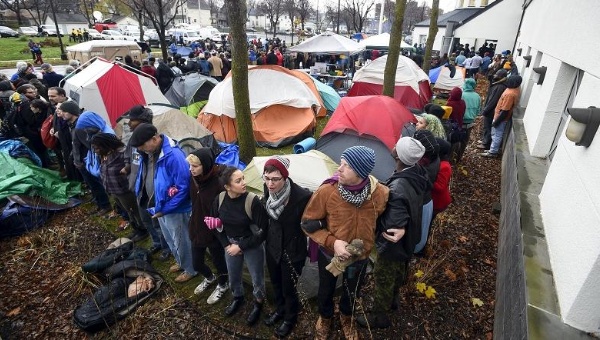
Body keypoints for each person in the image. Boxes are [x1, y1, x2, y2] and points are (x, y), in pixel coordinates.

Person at [301, 146, 389, 340]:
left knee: (352, 289)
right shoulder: (327, 192)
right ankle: (325, 318)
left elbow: (384, 217)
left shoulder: (380, 193)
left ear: (361, 172)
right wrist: (333, 243)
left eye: (346, 166)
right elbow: (307, 223)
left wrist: (396, 226)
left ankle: (346, 316)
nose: (339, 169)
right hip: (330, 255)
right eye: (340, 163)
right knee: (326, 289)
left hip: (359, 257)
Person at [357, 137, 429, 329]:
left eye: (397, 144)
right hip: (410, 238)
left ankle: (379, 317)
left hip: (392, 246)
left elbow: (391, 226)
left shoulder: (397, 188)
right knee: (399, 272)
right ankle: (393, 300)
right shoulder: (417, 172)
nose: (393, 145)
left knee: (383, 277)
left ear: (399, 155)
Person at [129, 123, 197, 282]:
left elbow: (183, 188)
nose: (141, 149)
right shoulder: (150, 152)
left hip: (174, 208)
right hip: (160, 206)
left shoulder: (173, 156)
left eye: (143, 145)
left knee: (181, 240)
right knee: (170, 238)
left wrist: (165, 209)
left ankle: (190, 269)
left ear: (154, 138)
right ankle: (181, 261)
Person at [204, 166, 269, 325]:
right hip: (230, 243)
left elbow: (264, 230)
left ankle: (258, 302)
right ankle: (238, 297)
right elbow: (215, 225)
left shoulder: (252, 201)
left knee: (257, 277)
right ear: (227, 186)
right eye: (238, 181)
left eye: (243, 178)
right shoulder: (219, 200)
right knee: (233, 275)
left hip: (251, 243)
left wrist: (240, 246)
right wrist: (226, 245)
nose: (244, 183)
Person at [261, 156, 312, 338]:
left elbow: (311, 223)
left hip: (293, 251)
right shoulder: (267, 192)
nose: (270, 183)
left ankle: (290, 318)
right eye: (266, 178)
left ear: (285, 177)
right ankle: (280, 310)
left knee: (289, 288)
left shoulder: (302, 197)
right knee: (276, 283)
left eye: (275, 179)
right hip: (273, 247)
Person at [120, 106, 169, 257]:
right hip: (138, 186)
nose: (128, 123)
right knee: (145, 219)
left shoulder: (152, 141)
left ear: (141, 120)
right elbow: (129, 154)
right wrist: (127, 167)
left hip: (152, 188)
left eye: (132, 120)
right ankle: (156, 243)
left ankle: (166, 247)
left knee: (158, 222)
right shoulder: (133, 139)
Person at [185, 148, 229, 305]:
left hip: (214, 233)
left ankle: (223, 284)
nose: (191, 170)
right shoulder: (193, 179)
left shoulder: (218, 185)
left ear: (205, 165)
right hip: (197, 228)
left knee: (219, 262)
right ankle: (210, 278)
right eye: (190, 166)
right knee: (197, 263)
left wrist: (219, 222)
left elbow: (226, 209)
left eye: (195, 166)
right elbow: (190, 197)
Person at [90, 133, 148, 241]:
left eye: (97, 148)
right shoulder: (103, 155)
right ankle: (136, 228)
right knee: (127, 211)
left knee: (134, 210)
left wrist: (127, 169)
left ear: (105, 145)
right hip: (113, 190)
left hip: (125, 190)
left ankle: (143, 230)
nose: (95, 151)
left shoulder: (122, 153)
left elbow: (135, 166)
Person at [60, 102, 112, 216]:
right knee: (92, 184)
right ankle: (98, 202)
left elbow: (87, 145)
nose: (61, 114)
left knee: (95, 184)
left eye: (64, 111)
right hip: (81, 161)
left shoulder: (79, 127)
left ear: (71, 112)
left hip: (85, 161)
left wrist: (80, 160)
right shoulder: (73, 125)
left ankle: (104, 205)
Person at [481, 75, 522, 158]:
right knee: (496, 134)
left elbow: (505, 110)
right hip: (499, 115)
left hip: (500, 118)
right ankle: (492, 149)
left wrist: (497, 121)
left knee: (497, 134)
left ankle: (493, 152)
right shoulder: (515, 89)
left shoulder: (510, 94)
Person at [477, 69, 508, 150]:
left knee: (487, 127)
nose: (495, 76)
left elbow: (493, 101)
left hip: (491, 111)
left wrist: (485, 111)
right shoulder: (499, 84)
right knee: (486, 127)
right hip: (491, 110)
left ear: (501, 77)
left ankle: (486, 144)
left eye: (497, 75)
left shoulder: (500, 86)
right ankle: (485, 140)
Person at [456, 78, 481, 163]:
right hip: (470, 123)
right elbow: (478, 110)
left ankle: (453, 157)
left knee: (455, 140)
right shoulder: (477, 96)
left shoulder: (462, 95)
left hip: (459, 122)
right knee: (464, 142)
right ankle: (459, 158)